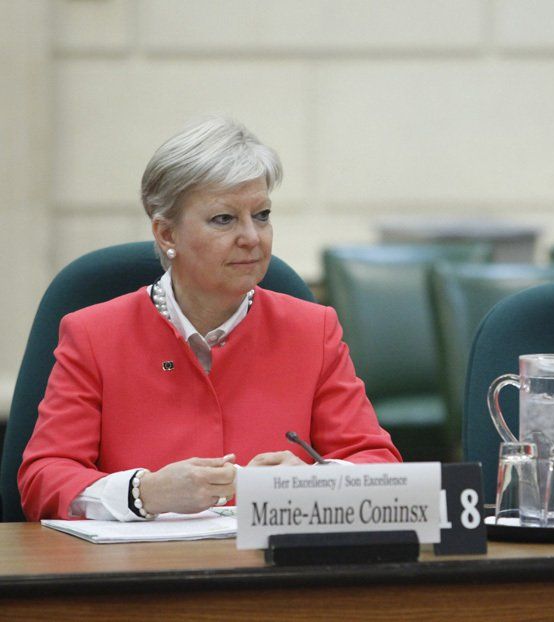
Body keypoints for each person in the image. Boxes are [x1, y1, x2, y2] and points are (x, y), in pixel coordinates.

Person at [19, 117, 401, 521]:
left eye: (263, 215)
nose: (252, 237)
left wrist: (312, 482)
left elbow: (379, 464)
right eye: (224, 219)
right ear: (167, 235)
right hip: (141, 575)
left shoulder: (312, 329)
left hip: (272, 575)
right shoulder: (94, 335)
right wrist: (143, 493)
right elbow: (43, 478)